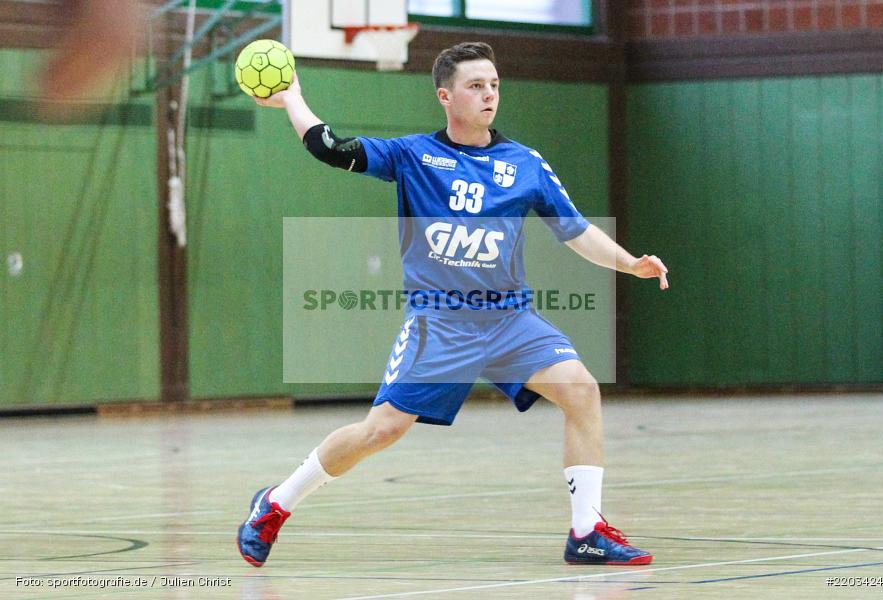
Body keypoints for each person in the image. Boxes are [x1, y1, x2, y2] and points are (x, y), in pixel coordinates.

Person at [237, 42, 668, 567]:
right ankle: (275, 504)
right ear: (446, 95)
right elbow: (332, 147)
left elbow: (575, 231)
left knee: (580, 391)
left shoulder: (524, 163)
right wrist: (293, 100)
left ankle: (586, 531)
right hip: (440, 323)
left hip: (510, 318)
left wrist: (631, 263)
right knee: (382, 430)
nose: (489, 95)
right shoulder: (414, 156)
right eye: (476, 86)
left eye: (494, 86)